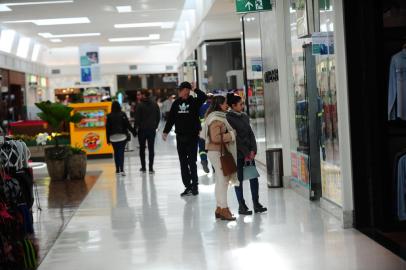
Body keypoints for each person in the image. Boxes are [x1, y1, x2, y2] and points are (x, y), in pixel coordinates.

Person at [162, 81, 207, 197]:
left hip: (192, 137)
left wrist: (194, 89)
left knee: (192, 162)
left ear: (186, 90)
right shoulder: (176, 103)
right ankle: (188, 186)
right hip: (180, 137)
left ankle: (195, 186)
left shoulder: (194, 102)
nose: (178, 91)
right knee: (183, 163)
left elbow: (204, 97)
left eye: (181, 89)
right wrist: (165, 131)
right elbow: (171, 118)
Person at [226, 93, 267, 215]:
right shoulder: (228, 119)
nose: (242, 106)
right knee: (239, 180)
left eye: (243, 103)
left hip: (249, 154)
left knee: (254, 178)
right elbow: (236, 138)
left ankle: (256, 203)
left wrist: (253, 150)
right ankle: (241, 205)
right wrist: (246, 153)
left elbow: (250, 133)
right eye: (240, 104)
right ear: (233, 105)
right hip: (238, 155)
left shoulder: (244, 116)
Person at [204, 95, 238, 221]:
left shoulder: (216, 116)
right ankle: (224, 209)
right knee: (223, 180)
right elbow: (216, 138)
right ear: (219, 105)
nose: (227, 106)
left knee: (220, 180)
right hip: (217, 152)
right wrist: (231, 135)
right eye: (225, 103)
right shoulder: (216, 119)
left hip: (216, 151)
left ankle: (219, 208)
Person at [134, 89, 161, 174]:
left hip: (142, 130)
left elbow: (137, 119)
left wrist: (135, 128)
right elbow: (158, 116)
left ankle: (143, 167)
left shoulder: (140, 105)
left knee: (142, 149)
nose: (139, 96)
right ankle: (151, 168)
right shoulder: (154, 104)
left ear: (143, 95)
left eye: (140, 94)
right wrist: (155, 126)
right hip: (152, 130)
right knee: (151, 148)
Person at [106, 101, 135, 176]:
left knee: (116, 153)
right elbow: (127, 125)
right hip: (122, 137)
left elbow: (107, 128)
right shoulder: (122, 114)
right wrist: (134, 132)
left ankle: (117, 170)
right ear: (119, 106)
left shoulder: (109, 116)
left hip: (112, 137)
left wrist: (107, 140)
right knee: (121, 153)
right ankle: (122, 169)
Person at [198, 93, 213, 173]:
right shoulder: (215, 107)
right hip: (213, 131)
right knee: (213, 148)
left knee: (201, 148)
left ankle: (204, 161)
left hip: (202, 130)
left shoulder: (201, 107)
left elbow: (196, 118)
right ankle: (214, 167)